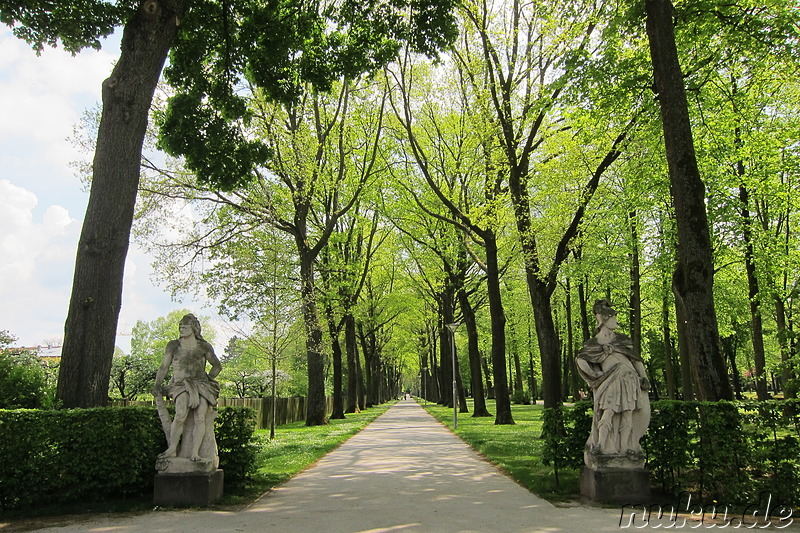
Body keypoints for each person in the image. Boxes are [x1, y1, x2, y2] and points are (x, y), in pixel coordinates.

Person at [576, 300, 650, 456]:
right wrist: (595, 375)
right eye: (613, 317)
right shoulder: (594, 343)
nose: (616, 320)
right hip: (610, 382)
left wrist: (643, 377)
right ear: (604, 319)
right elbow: (581, 360)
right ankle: (602, 446)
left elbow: (636, 360)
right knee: (607, 413)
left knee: (627, 414)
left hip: (629, 380)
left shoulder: (623, 340)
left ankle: (626, 448)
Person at [154, 313, 222, 461]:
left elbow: (217, 366)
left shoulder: (204, 346)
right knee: (179, 416)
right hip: (180, 385)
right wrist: (157, 384)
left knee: (200, 418)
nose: (182, 329)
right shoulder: (174, 345)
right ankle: (172, 449)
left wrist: (209, 379)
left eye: (185, 326)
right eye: (180, 326)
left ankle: (195, 453)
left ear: (194, 328)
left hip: (201, 385)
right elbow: (164, 367)